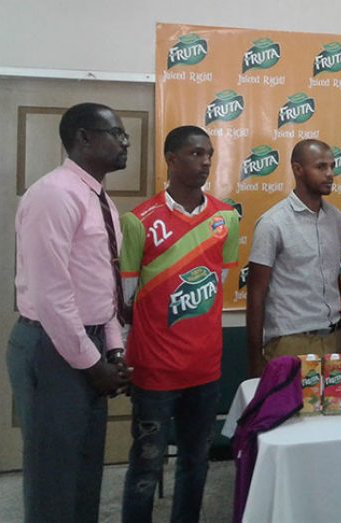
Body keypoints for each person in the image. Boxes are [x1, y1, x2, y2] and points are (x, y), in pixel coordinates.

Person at [6, 102, 132, 522]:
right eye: (115, 132)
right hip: (52, 343)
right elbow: (52, 296)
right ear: (83, 138)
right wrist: (92, 363)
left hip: (89, 340)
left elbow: (101, 284)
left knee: (84, 471)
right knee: (53, 476)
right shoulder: (54, 194)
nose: (124, 141)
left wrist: (113, 348)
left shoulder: (100, 200)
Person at [120, 125, 239, 523]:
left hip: (205, 369)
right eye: (194, 153)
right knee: (146, 467)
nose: (205, 161)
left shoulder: (226, 218)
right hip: (154, 372)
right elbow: (126, 299)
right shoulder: (138, 221)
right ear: (171, 159)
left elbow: (218, 286)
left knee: (196, 463)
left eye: (208, 153)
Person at [246, 139, 341, 377]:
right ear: (298, 169)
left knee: (335, 414)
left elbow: (335, 276)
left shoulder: (336, 218)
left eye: (332, 166)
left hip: (333, 340)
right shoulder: (273, 223)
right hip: (290, 344)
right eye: (321, 167)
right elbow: (256, 294)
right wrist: (253, 361)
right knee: (288, 414)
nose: (330, 174)